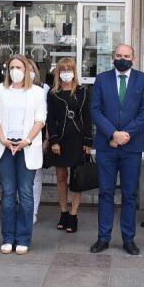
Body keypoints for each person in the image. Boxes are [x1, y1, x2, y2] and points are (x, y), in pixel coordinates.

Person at [89, 44, 144, 255]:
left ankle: (128, 238)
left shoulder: (143, 80)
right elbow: (95, 110)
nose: (122, 59)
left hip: (131, 147)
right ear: (112, 57)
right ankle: (103, 237)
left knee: (129, 194)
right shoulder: (102, 79)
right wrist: (112, 134)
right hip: (106, 146)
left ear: (133, 58)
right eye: (118, 55)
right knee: (105, 192)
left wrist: (125, 135)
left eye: (126, 56)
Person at [0, 55, 47, 255]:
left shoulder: (37, 92)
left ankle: (23, 238)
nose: (15, 70)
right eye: (12, 67)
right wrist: (4, 139)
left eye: (19, 67)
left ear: (27, 69)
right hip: (5, 146)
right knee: (7, 193)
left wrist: (27, 141)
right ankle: (7, 237)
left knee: (25, 193)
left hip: (27, 147)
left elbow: (40, 120)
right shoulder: (0, 90)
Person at [45, 57, 92, 233]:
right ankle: (63, 212)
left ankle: (73, 214)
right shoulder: (53, 93)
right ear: (58, 72)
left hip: (78, 141)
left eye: (69, 69)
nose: (66, 72)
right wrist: (54, 141)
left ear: (74, 71)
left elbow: (87, 117)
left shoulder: (83, 92)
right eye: (63, 69)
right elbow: (50, 119)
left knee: (77, 179)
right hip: (61, 142)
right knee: (61, 177)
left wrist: (88, 141)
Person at [31, 60, 50, 224]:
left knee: (36, 176)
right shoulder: (9, 89)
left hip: (38, 138)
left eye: (31, 69)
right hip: (16, 140)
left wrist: (47, 139)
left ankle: (33, 211)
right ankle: (23, 206)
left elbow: (49, 117)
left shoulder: (44, 89)